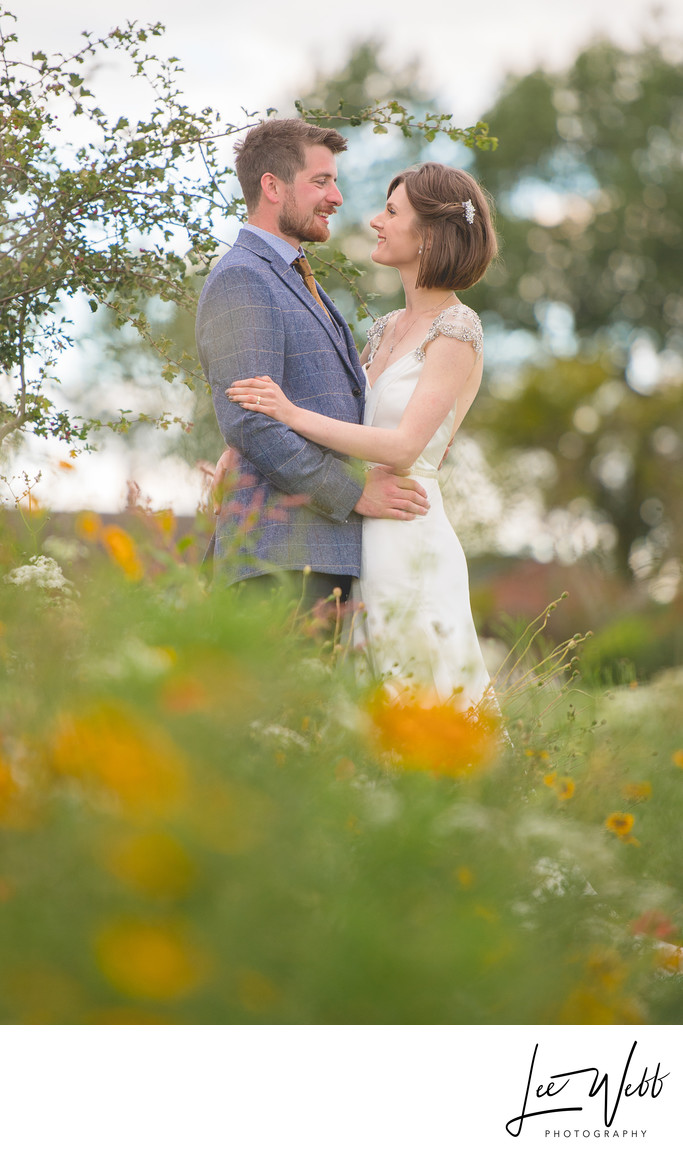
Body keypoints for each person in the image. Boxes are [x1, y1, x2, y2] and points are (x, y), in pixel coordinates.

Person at [227, 162, 498, 711]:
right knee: (357, 699)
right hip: (356, 531)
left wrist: (287, 413)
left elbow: (403, 447)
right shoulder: (382, 329)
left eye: (392, 212)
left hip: (407, 531)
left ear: (429, 236)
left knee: (417, 692)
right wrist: (238, 449)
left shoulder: (458, 330)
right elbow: (345, 420)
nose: (375, 220)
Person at [195, 118, 429, 611]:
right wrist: (354, 494)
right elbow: (251, 421)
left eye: (335, 181)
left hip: (322, 559)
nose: (337, 197)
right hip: (278, 562)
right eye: (321, 181)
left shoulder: (300, 280)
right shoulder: (243, 279)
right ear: (273, 187)